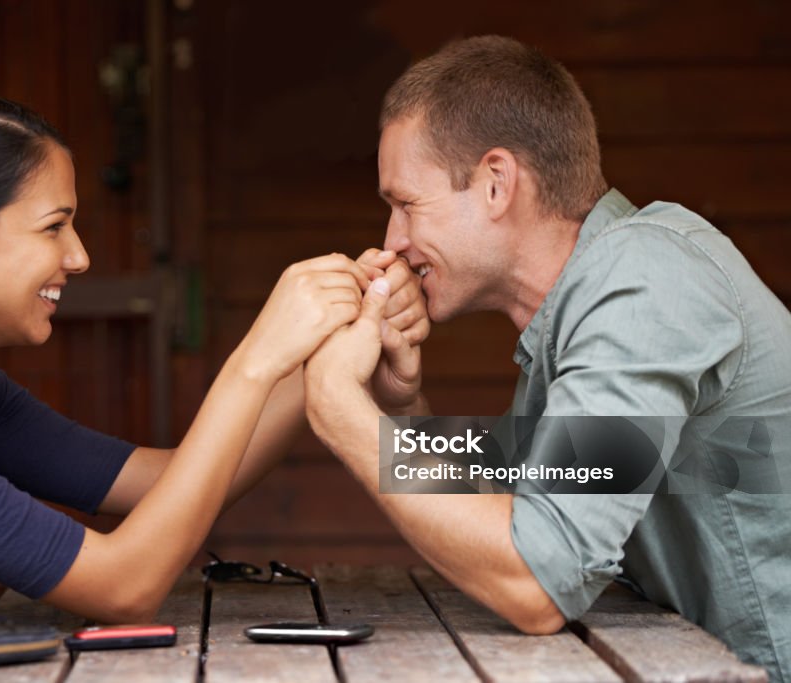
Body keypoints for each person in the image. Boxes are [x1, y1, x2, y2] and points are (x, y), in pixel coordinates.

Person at [0, 89, 427, 673]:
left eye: (405, 204)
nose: (80, 256)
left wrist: (328, 359)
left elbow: (176, 482)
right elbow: (122, 585)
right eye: (54, 226)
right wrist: (261, 360)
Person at [302, 35, 791, 680]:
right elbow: (511, 510)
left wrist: (338, 412)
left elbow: (535, 577)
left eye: (406, 204)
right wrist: (399, 412)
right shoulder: (580, 308)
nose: (393, 241)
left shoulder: (643, 281)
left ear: (496, 184)